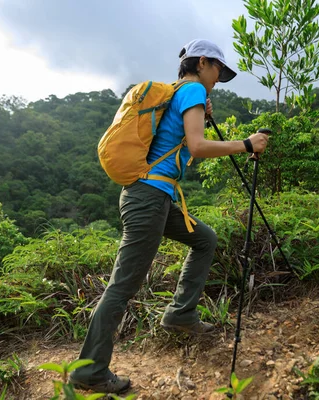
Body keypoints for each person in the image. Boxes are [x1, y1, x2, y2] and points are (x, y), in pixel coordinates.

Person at [69, 39, 269, 394]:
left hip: (152, 197)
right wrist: (246, 144)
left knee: (204, 239)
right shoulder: (191, 90)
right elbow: (197, 147)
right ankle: (90, 370)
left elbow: (182, 141)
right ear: (203, 63)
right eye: (219, 71)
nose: (219, 79)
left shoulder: (179, 93)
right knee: (122, 287)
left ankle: (180, 314)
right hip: (148, 199)